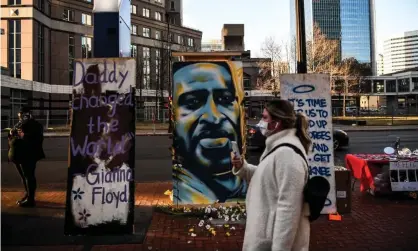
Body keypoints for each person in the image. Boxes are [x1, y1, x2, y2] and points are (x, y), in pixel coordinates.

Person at [231, 100, 312, 251]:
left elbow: (289, 209)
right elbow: (267, 179)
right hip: (266, 239)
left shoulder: (287, 154)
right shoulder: (278, 148)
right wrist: (243, 167)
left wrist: (280, 247)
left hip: (271, 243)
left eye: (265, 117)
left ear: (277, 123)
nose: (261, 122)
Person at [172, 62, 246, 204]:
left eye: (225, 99)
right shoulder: (183, 195)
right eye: (192, 102)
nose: (214, 118)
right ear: (173, 115)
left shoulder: (247, 185)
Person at [9, 107, 45, 207]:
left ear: (28, 115)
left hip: (27, 155)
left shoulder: (35, 125)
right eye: (19, 116)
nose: (20, 118)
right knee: (24, 177)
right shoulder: (21, 124)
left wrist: (22, 135)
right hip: (19, 155)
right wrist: (12, 134)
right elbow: (14, 136)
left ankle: (30, 199)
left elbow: (36, 139)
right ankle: (28, 194)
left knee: (29, 176)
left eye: (22, 116)